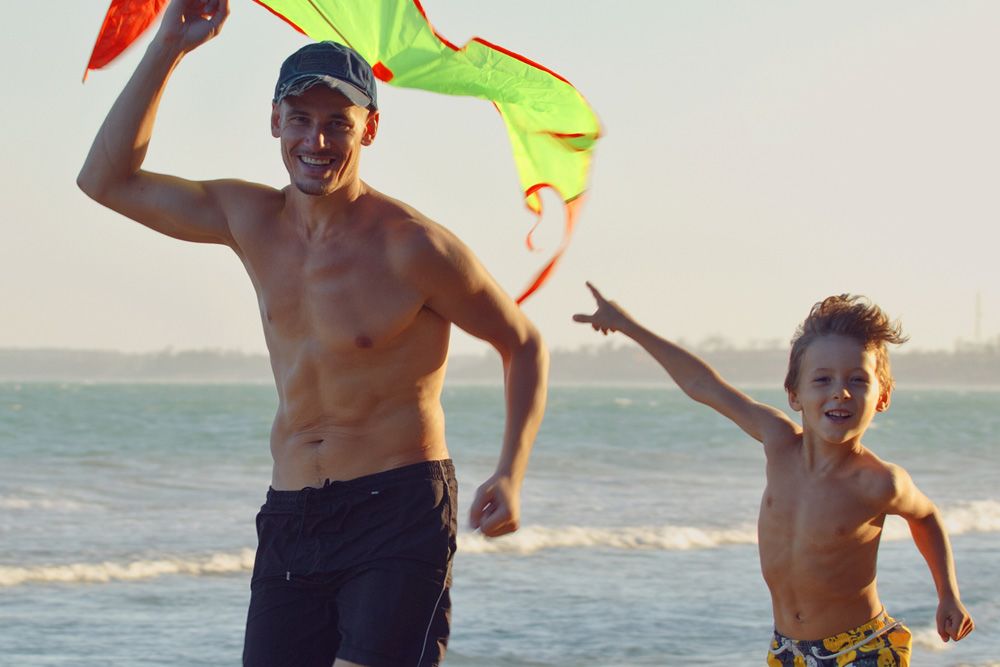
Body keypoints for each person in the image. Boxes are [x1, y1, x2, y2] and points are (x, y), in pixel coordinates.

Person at [77, 1, 548, 665]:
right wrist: (169, 45)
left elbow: (521, 342)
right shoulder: (250, 219)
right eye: (300, 119)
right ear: (275, 122)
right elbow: (104, 180)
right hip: (292, 514)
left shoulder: (413, 248)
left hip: (397, 511)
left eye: (337, 124)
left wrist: (512, 471)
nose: (316, 141)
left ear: (370, 129)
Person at [573, 283, 973, 665]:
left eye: (857, 380)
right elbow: (702, 384)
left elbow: (925, 515)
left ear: (882, 397)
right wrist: (627, 326)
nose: (840, 392)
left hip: (860, 651)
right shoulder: (778, 442)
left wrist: (948, 595)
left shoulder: (878, 482)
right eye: (822, 379)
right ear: (794, 394)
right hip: (787, 651)